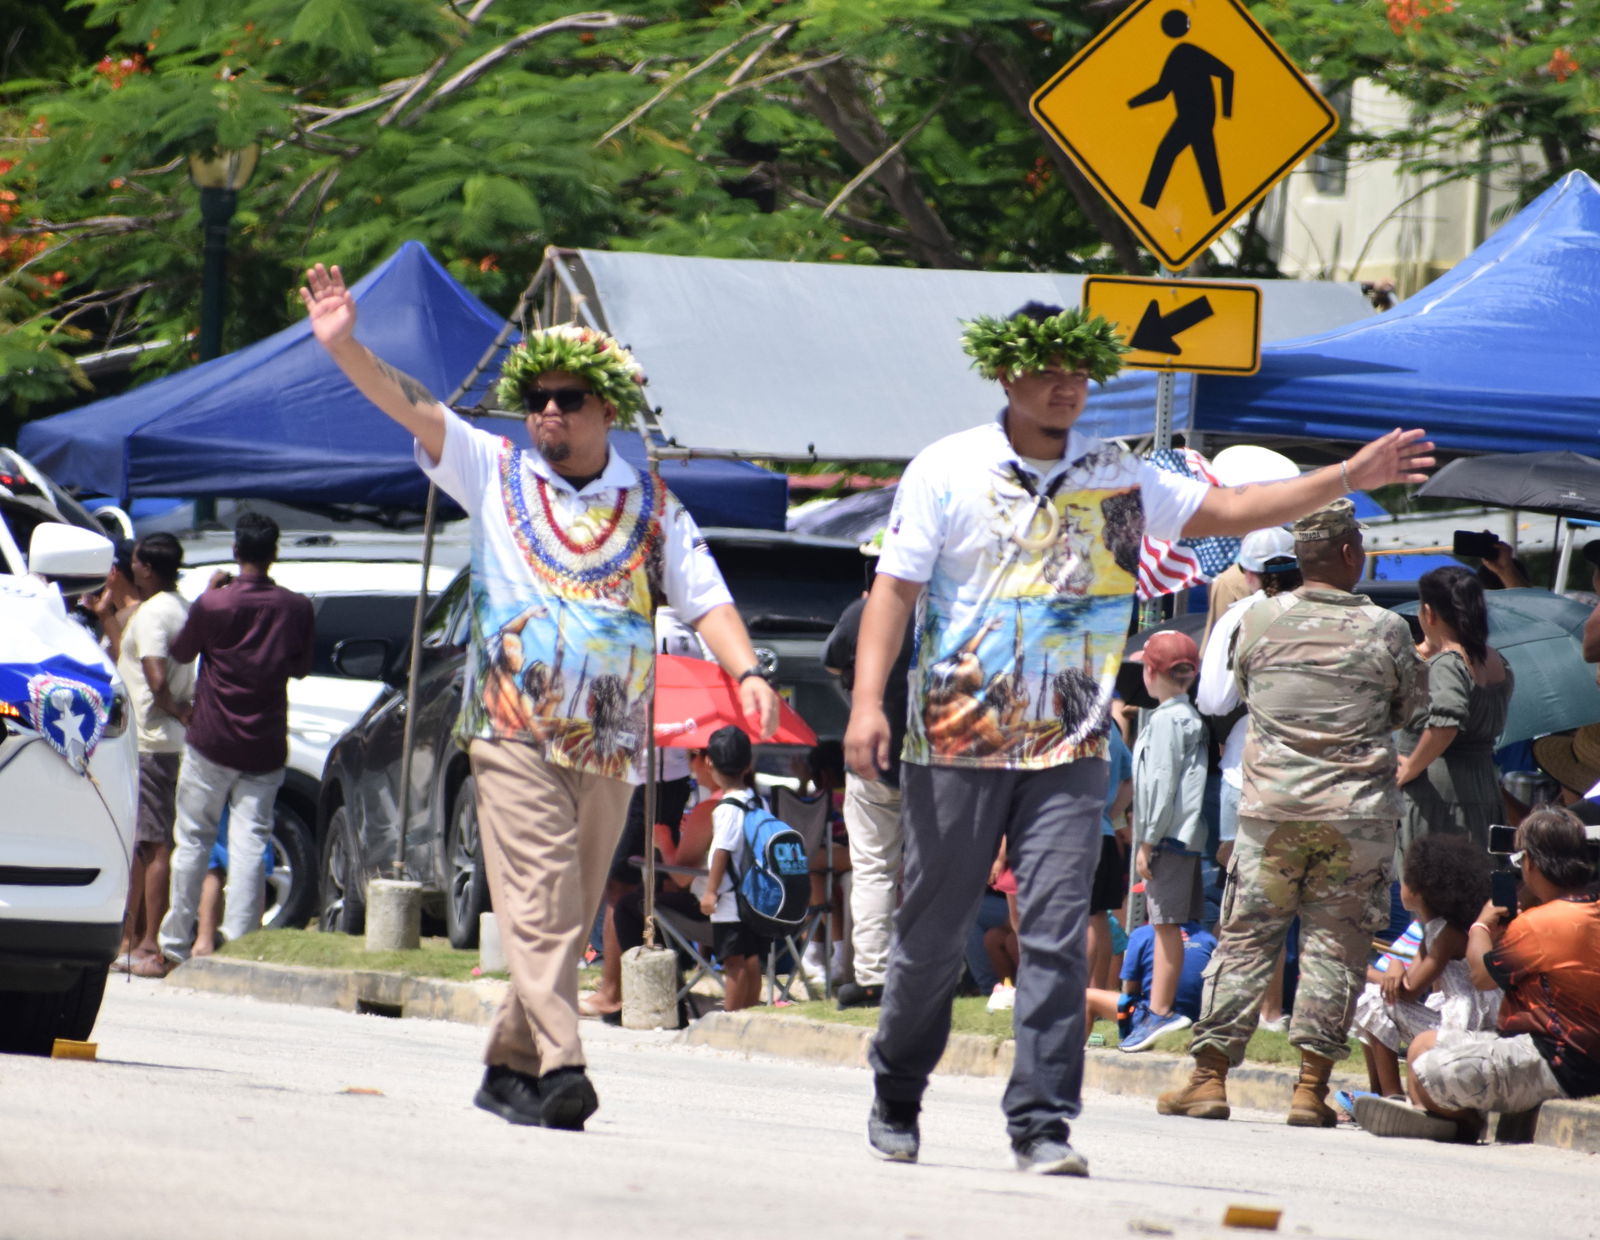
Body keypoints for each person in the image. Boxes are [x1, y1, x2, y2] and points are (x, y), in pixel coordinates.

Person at [844, 299, 1433, 1175]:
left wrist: (1348, 473)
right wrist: (866, 704)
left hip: (1073, 747)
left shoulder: (1117, 475)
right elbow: (893, 591)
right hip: (959, 738)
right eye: (1047, 373)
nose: (1065, 389)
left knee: (1053, 933)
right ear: (1008, 376)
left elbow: (1234, 510)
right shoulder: (948, 468)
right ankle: (897, 1086)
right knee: (929, 935)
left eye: (1079, 375)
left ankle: (1042, 1121)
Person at [301, 263, 778, 1132]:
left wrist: (746, 672)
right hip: (512, 733)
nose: (549, 412)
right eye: (539, 399)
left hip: (612, 747)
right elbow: (411, 405)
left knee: (566, 905)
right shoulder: (495, 471)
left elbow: (705, 597)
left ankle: (508, 1068)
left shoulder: (652, 506)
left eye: (568, 398)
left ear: (606, 412)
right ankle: (563, 1064)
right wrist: (347, 347)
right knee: (543, 895)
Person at [1158, 498, 1424, 1129]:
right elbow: (1407, 711)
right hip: (1355, 817)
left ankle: (1209, 1079)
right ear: (1352, 554)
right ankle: (1310, 1089)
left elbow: (1243, 695)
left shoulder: (1256, 620)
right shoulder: (1386, 628)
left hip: (1272, 813)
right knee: (1337, 948)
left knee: (1246, 940)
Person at [1356, 806, 1600, 1140]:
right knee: (1420, 1048)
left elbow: (1482, 975)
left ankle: (1462, 1124)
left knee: (1425, 1067)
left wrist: (1482, 926)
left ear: (1529, 863)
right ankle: (1437, 1115)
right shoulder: (1583, 909)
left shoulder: (1544, 921)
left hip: (1559, 1061)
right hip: (1566, 1051)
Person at [156, 514, 314, 970]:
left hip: (211, 737)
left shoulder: (214, 605)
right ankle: (243, 940)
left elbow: (182, 652)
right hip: (264, 739)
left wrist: (209, 596)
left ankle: (175, 940)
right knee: (250, 841)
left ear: (236, 550)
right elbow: (300, 667)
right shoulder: (296, 607)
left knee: (193, 839)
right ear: (274, 552)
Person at [824, 543, 914, 1010]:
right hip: (934, 761)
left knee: (874, 869)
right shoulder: (947, 609)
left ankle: (873, 975)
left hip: (872, 759)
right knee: (929, 871)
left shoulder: (863, 611)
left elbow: (832, 662)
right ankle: (931, 972)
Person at [1350, 834, 1496, 1100]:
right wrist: (1395, 965)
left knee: (1373, 1002)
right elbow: (1406, 980)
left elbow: (1406, 992)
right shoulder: (1430, 929)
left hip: (1464, 1026)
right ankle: (1376, 1091)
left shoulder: (1447, 934)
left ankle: (1392, 1095)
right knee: (1375, 1004)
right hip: (1452, 1016)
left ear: (1418, 890)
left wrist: (1364, 971)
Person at [112, 533, 195, 978]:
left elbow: (156, 678)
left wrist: (177, 707)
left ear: (145, 568)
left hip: (149, 740)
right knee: (154, 840)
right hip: (168, 741)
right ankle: (137, 938)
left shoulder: (152, 615)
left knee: (152, 843)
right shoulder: (180, 606)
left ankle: (144, 942)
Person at [1121, 630, 1207, 1052]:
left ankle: (1160, 1010)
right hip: (1183, 836)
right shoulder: (1189, 716)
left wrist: (1146, 841)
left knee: (1164, 924)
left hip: (1167, 838)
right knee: (1168, 923)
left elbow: (1159, 784)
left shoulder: (1166, 721)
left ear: (1152, 672)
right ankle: (1161, 1008)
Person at [1395, 566, 1512, 859]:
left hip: (1439, 799)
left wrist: (1409, 768)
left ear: (1428, 613)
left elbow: (1446, 723)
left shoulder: (1448, 663)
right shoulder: (1496, 659)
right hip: (1483, 789)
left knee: (1431, 894)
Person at [698, 726, 767, 1012]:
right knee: (751, 959)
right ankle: (749, 1014)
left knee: (733, 961)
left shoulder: (726, 807)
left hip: (730, 899)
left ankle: (731, 1016)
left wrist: (710, 892)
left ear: (709, 762)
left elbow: (722, 852)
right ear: (749, 764)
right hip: (753, 895)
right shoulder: (758, 801)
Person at [1086, 919, 1216, 1042]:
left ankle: (1068, 1057)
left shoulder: (1141, 934)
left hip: (1154, 1016)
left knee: (1086, 997)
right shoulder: (1208, 938)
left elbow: (1131, 989)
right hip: (1197, 1017)